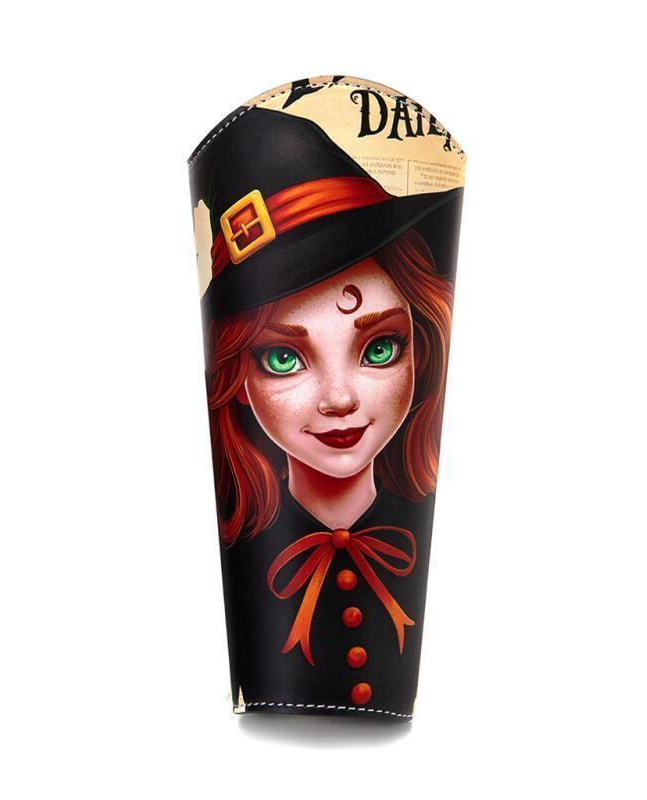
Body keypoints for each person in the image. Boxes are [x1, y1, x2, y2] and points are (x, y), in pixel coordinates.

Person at [190, 98, 463, 719]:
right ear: (237, 375)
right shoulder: (246, 539)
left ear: (422, 347)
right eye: (283, 358)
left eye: (379, 347)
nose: (339, 399)